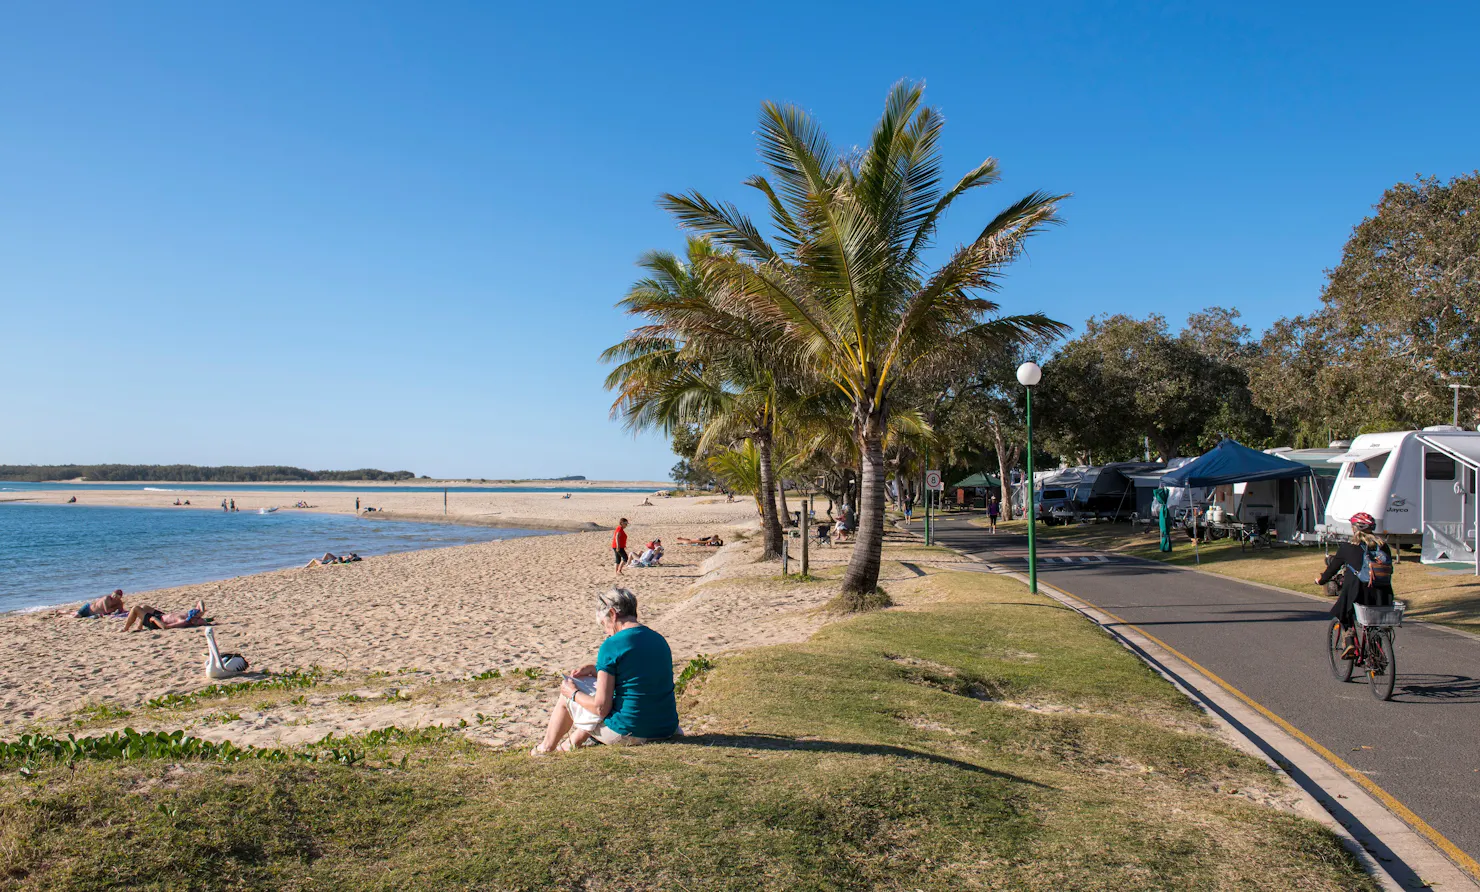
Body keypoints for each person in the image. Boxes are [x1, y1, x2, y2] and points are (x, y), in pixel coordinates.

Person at [533, 588, 680, 754]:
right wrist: (597, 670)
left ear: (613, 614)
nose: (606, 631)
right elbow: (636, 675)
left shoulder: (612, 645)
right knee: (604, 693)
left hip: (630, 733)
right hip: (667, 728)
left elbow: (601, 708)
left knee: (569, 690)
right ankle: (569, 745)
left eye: (604, 624)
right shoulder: (658, 639)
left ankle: (545, 749)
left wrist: (572, 693)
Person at [1316, 512, 1395, 659]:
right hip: (1383, 593)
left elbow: (1332, 569)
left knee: (1342, 609)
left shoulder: (1347, 547)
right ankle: (1376, 655)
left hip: (1358, 592)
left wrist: (1320, 580)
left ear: (1354, 529)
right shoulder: (1383, 547)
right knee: (1374, 623)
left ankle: (1349, 639)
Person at [123, 600, 207, 632]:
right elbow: (200, 602)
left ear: (193, 621)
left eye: (199, 619)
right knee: (145, 607)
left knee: (135, 609)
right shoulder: (192, 615)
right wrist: (202, 611)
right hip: (162, 615)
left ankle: (125, 628)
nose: (199, 617)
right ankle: (139, 627)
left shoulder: (183, 621)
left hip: (156, 622)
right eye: (199, 617)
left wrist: (154, 619)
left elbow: (165, 627)